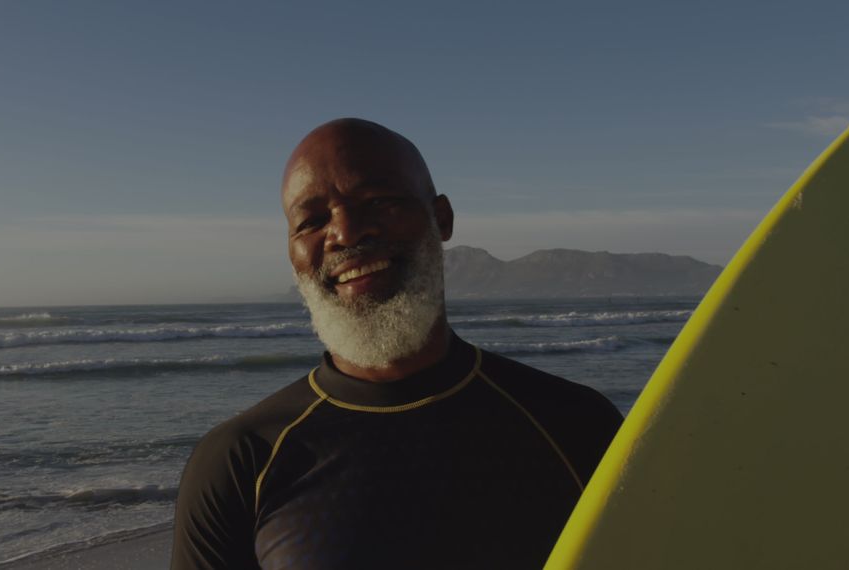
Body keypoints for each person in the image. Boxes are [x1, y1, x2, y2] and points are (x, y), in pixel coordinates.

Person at [170, 119, 623, 569]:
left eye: (378, 201)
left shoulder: (576, 424)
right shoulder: (240, 462)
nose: (346, 232)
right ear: (292, 254)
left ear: (441, 219)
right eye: (312, 221)